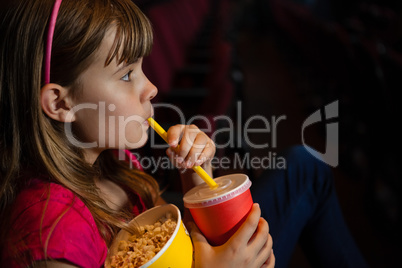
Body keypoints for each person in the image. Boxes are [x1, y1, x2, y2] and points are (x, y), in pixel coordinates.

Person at [0, 0, 273, 267]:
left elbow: (186, 242)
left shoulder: (119, 166)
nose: (152, 88)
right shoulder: (50, 233)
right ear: (61, 103)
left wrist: (194, 174)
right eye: (127, 75)